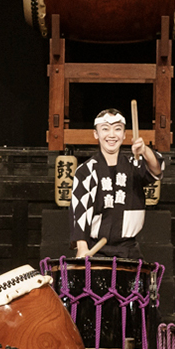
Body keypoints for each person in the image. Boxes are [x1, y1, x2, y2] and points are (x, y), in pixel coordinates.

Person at [70, 109, 163, 260]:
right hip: (95, 251)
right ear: (96, 134)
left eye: (117, 129)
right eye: (105, 129)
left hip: (129, 250)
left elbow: (156, 170)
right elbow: (79, 210)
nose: (112, 135)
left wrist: (144, 150)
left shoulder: (134, 165)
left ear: (124, 135)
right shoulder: (86, 170)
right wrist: (82, 247)